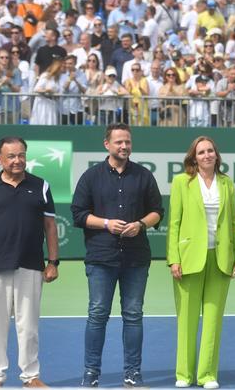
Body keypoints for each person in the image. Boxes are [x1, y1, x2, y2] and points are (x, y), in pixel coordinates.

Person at [70, 123, 163, 387]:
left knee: (133, 315)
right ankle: (91, 372)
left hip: (135, 258)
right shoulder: (91, 177)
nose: (124, 146)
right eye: (119, 142)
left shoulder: (144, 175)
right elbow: (78, 214)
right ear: (107, 144)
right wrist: (107, 224)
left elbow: (158, 211)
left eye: (128, 142)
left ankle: (132, 371)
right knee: (98, 313)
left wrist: (141, 224)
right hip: (101, 258)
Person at [0, 136, 59, 387]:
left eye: (21, 155)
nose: (17, 160)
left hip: (31, 265)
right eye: (11, 156)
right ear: (0, 159)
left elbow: (50, 227)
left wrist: (53, 262)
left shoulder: (41, 186)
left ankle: (30, 377)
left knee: (28, 327)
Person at [167, 136, 235, 389]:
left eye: (210, 151)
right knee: (186, 319)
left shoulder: (226, 183)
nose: (207, 155)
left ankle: (207, 375)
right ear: (194, 157)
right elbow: (174, 224)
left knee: (213, 320)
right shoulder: (181, 182)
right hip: (189, 259)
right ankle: (184, 374)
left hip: (220, 258)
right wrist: (173, 259)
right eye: (201, 152)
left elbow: (234, 223)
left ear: (216, 155)